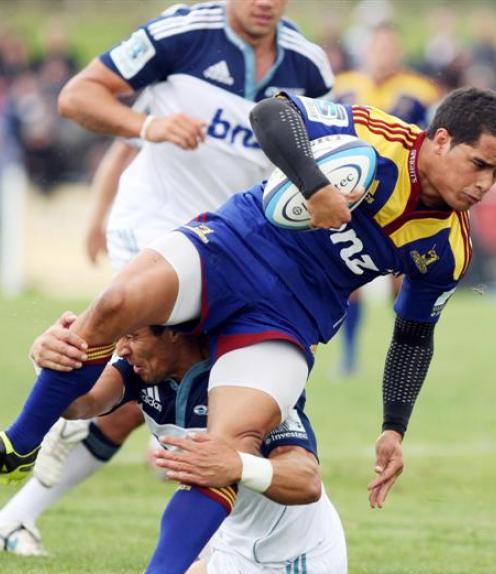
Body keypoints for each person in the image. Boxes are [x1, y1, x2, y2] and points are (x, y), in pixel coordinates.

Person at [2, 87, 493, 524]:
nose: (484, 185)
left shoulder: (449, 248)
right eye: (480, 164)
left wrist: (393, 428)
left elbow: (413, 336)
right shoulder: (376, 133)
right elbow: (272, 114)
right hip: (234, 244)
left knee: (227, 443)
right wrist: (315, 187)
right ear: (442, 139)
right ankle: (19, 443)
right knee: (116, 303)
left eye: (494, 175)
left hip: (291, 313)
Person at [28, 0, 333, 500]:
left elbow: (312, 160)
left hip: (236, 253)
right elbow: (77, 97)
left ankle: (23, 506)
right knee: (148, 375)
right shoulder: (181, 33)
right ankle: (40, 431)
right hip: (155, 230)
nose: (265, 3)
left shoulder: (309, 66)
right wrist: (148, 129)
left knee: (213, 402)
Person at [2, 320, 375, 574]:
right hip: (234, 547)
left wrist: (237, 464)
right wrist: (48, 360)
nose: (123, 348)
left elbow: (306, 481)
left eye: (133, 335)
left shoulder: (253, 385)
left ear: (176, 333)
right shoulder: (140, 372)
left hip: (286, 566)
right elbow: (81, 404)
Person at [332, 22, 441, 374]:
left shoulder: (420, 90)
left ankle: (402, 355)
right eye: (378, 47)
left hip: (401, 202)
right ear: (367, 49)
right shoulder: (344, 85)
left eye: (389, 47)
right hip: (352, 197)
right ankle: (348, 357)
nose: (383, 54)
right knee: (349, 280)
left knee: (403, 281)